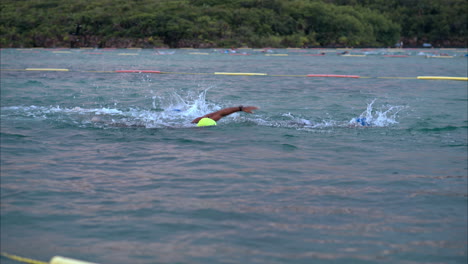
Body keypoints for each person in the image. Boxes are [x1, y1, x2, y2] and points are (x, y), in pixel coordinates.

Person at [191, 106, 259, 127]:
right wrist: (240, 108)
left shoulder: (192, 124)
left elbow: (220, 113)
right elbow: (220, 113)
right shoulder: (202, 121)